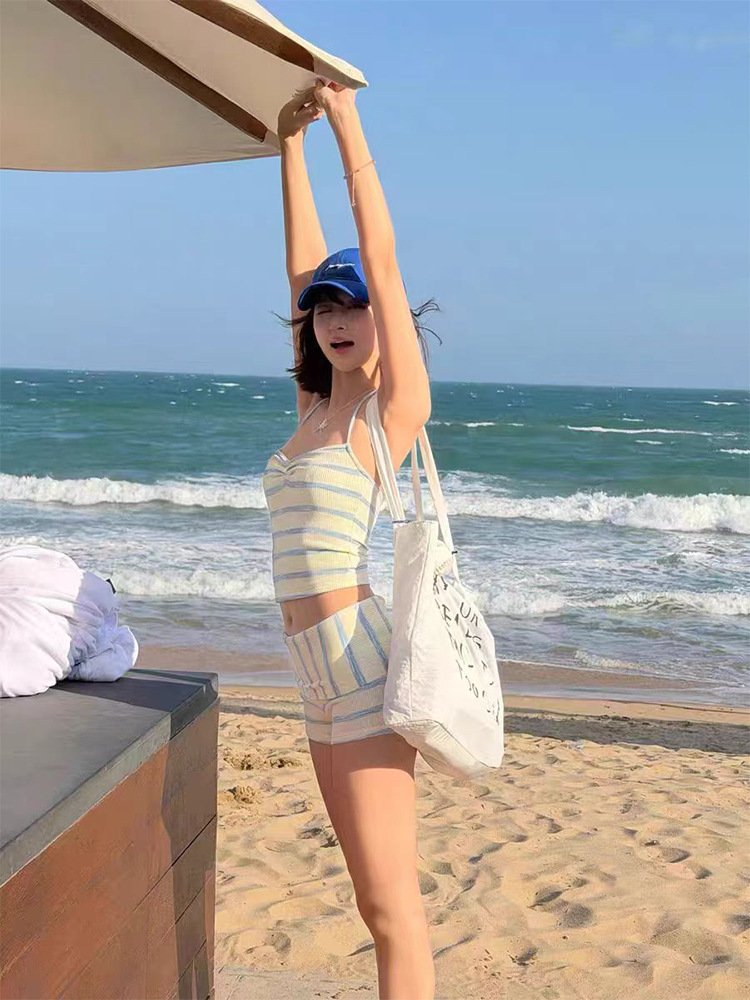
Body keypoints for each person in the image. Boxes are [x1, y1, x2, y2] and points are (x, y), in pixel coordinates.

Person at [261, 80, 440, 999]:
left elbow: (383, 259)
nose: (336, 318)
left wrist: (344, 125)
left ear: (383, 320)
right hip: (312, 673)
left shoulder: (387, 413)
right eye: (326, 308)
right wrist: (285, 145)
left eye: (354, 306)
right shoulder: (312, 412)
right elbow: (301, 269)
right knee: (368, 903)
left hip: (360, 670)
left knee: (391, 905)